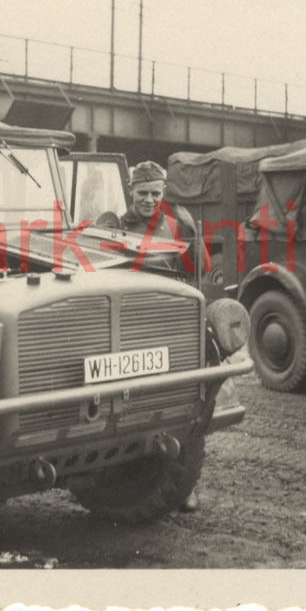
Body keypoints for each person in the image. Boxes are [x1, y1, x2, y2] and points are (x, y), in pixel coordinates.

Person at [108, 161, 202, 513]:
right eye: (142, 193)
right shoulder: (114, 225)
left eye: (155, 194)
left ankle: (185, 484)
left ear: (164, 195)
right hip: (126, 322)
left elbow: (198, 271)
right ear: (131, 191)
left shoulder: (178, 226)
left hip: (165, 319)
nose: (148, 200)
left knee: (183, 399)